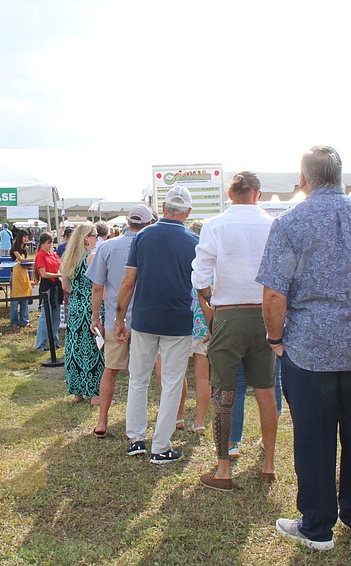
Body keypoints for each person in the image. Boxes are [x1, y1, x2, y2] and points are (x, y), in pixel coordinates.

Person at [258, 146, 351, 550]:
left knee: (314, 436)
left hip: (310, 349)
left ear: (304, 180)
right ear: (340, 177)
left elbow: (274, 293)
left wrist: (276, 340)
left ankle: (318, 524)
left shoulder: (291, 223)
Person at [192, 172, 278, 491]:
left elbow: (200, 277)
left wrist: (211, 300)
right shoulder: (272, 224)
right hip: (264, 312)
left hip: (228, 312)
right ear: (257, 193)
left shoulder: (216, 224)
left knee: (224, 393)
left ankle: (224, 468)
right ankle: (268, 464)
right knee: (266, 391)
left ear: (230, 193)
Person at [114, 186, 198, 465]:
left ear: (163, 207)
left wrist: (119, 318)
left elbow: (128, 283)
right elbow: (202, 285)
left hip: (145, 318)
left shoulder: (143, 236)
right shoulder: (193, 240)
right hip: (177, 320)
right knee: (172, 382)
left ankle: (136, 439)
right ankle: (161, 446)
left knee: (138, 378)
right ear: (187, 212)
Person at [87, 204, 154, 437]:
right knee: (143, 375)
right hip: (145, 320)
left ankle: (102, 421)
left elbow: (97, 286)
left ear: (128, 221)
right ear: (149, 223)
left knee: (111, 370)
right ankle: (142, 423)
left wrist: (95, 317)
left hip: (115, 319)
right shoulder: (150, 247)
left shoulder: (107, 246)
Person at [61, 224, 104, 403]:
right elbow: (97, 285)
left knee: (74, 347)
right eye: (94, 235)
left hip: (75, 306)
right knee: (95, 348)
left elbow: (65, 286)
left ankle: (77, 393)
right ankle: (95, 394)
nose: (97, 238)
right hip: (91, 306)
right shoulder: (91, 258)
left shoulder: (69, 259)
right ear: (86, 238)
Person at [175, 219, 210, 436]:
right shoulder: (210, 261)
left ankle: (178, 417)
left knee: (178, 374)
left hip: (184, 321)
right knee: (203, 376)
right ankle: (199, 421)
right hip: (204, 322)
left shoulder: (184, 258)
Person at [34, 232, 63, 350]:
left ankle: (54, 342)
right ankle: (40, 344)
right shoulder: (40, 255)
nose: (50, 245)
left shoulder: (53, 254)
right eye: (48, 243)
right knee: (45, 316)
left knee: (56, 317)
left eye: (51, 242)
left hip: (56, 286)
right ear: (42, 243)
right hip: (47, 287)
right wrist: (59, 274)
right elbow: (43, 274)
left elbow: (61, 266)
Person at [9, 231, 31, 327]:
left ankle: (24, 320)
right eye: (24, 237)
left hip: (24, 274)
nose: (26, 239)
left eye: (27, 237)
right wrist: (34, 260)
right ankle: (14, 321)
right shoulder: (15, 248)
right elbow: (21, 260)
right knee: (15, 300)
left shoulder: (26, 249)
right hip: (16, 274)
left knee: (25, 298)